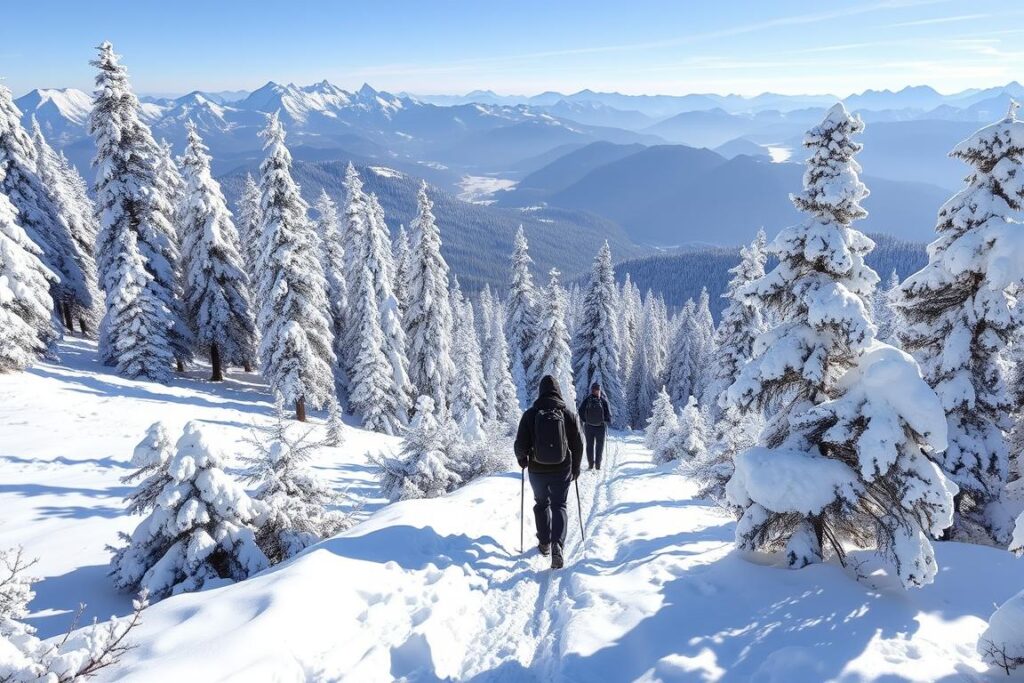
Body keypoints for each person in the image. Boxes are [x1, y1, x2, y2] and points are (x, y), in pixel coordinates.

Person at [514, 374, 584, 569]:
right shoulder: (567, 414)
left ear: (540, 391)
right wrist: (576, 467)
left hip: (537, 470)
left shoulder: (530, 414)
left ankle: (544, 543)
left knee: (541, 504)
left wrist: (522, 459)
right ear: (558, 391)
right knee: (559, 505)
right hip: (562, 468)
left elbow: (520, 443)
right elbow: (578, 443)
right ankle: (557, 546)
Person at [578, 382, 611, 471]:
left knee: (589, 445)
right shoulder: (603, 401)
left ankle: (590, 465)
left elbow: (580, 411)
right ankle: (598, 465)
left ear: (592, 390)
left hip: (588, 427)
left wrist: (585, 420)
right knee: (599, 445)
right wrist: (606, 421)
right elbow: (608, 415)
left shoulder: (587, 400)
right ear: (599, 390)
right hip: (600, 427)